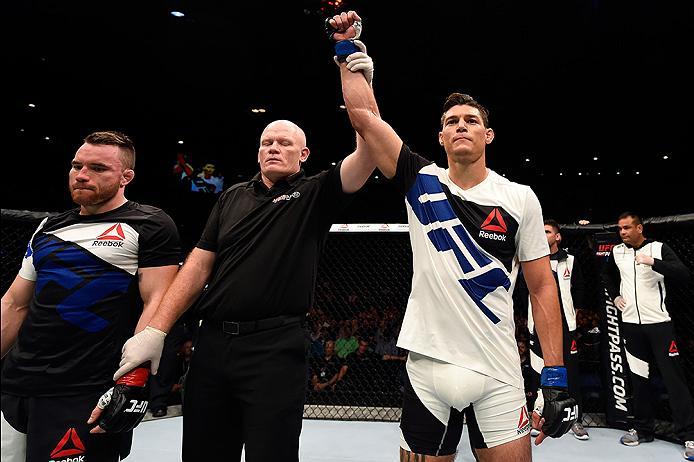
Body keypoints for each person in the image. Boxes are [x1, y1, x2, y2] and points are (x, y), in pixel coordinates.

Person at [328, 11, 577, 462]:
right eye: (452, 121)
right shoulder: (421, 179)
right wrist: (349, 50)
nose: (461, 125)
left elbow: (542, 286)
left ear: (488, 133)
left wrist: (555, 375)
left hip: (499, 371)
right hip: (428, 370)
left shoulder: (519, 197)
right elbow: (364, 118)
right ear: (441, 137)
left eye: (471, 119)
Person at [112, 118, 376, 461]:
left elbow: (366, 155)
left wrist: (358, 94)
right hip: (213, 346)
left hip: (275, 348)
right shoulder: (232, 197)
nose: (274, 148)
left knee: (271, 453)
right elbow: (197, 266)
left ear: (304, 154)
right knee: (203, 452)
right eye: (267, 143)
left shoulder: (315, 193)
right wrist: (155, 330)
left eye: (284, 143)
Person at [0, 131, 181, 462]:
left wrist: (133, 382)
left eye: (98, 168)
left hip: (83, 390)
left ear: (127, 177)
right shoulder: (48, 228)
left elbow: (158, 302)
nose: (82, 175)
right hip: (14, 385)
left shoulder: (149, 224)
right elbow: (14, 303)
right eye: (77, 165)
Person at [602, 211, 694, 459]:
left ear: (640, 228)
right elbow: (608, 275)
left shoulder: (658, 248)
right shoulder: (616, 252)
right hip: (631, 325)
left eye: (627, 228)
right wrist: (616, 296)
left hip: (660, 325)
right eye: (620, 229)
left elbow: (684, 274)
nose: (622, 232)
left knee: (674, 381)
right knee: (638, 379)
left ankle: (689, 436)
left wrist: (654, 262)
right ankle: (643, 430)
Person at [522, 219, 588, 440]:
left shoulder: (570, 260)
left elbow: (579, 290)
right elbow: (523, 293)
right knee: (536, 372)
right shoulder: (531, 262)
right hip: (536, 325)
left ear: (557, 237)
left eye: (548, 231)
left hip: (565, 326)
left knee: (571, 373)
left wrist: (572, 316)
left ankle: (575, 419)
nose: (543, 235)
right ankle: (539, 417)